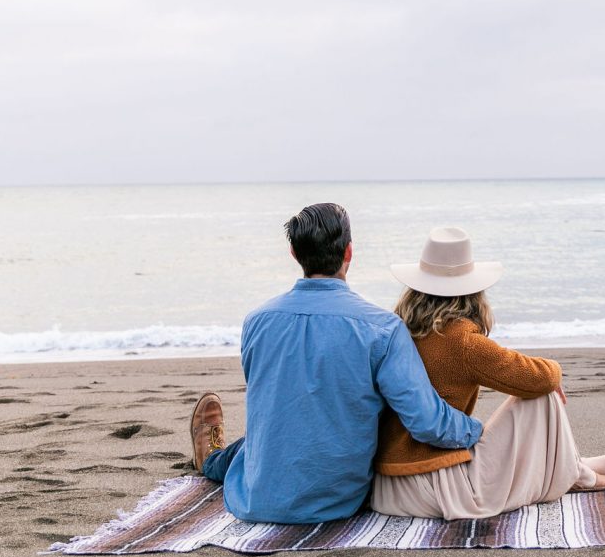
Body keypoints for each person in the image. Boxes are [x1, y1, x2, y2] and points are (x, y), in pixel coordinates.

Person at [187, 203, 484, 524]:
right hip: (338, 501)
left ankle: (213, 458)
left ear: (293, 252)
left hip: (257, 498)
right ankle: (212, 457)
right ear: (349, 252)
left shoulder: (257, 321)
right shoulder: (383, 328)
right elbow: (428, 423)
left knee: (259, 441)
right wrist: (475, 430)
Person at [371, 226, 605, 520]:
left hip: (388, 487)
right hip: (436, 488)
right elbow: (542, 378)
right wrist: (554, 374)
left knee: (535, 389)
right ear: (473, 291)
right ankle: (581, 476)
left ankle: (597, 465)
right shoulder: (462, 341)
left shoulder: (398, 329)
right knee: (542, 395)